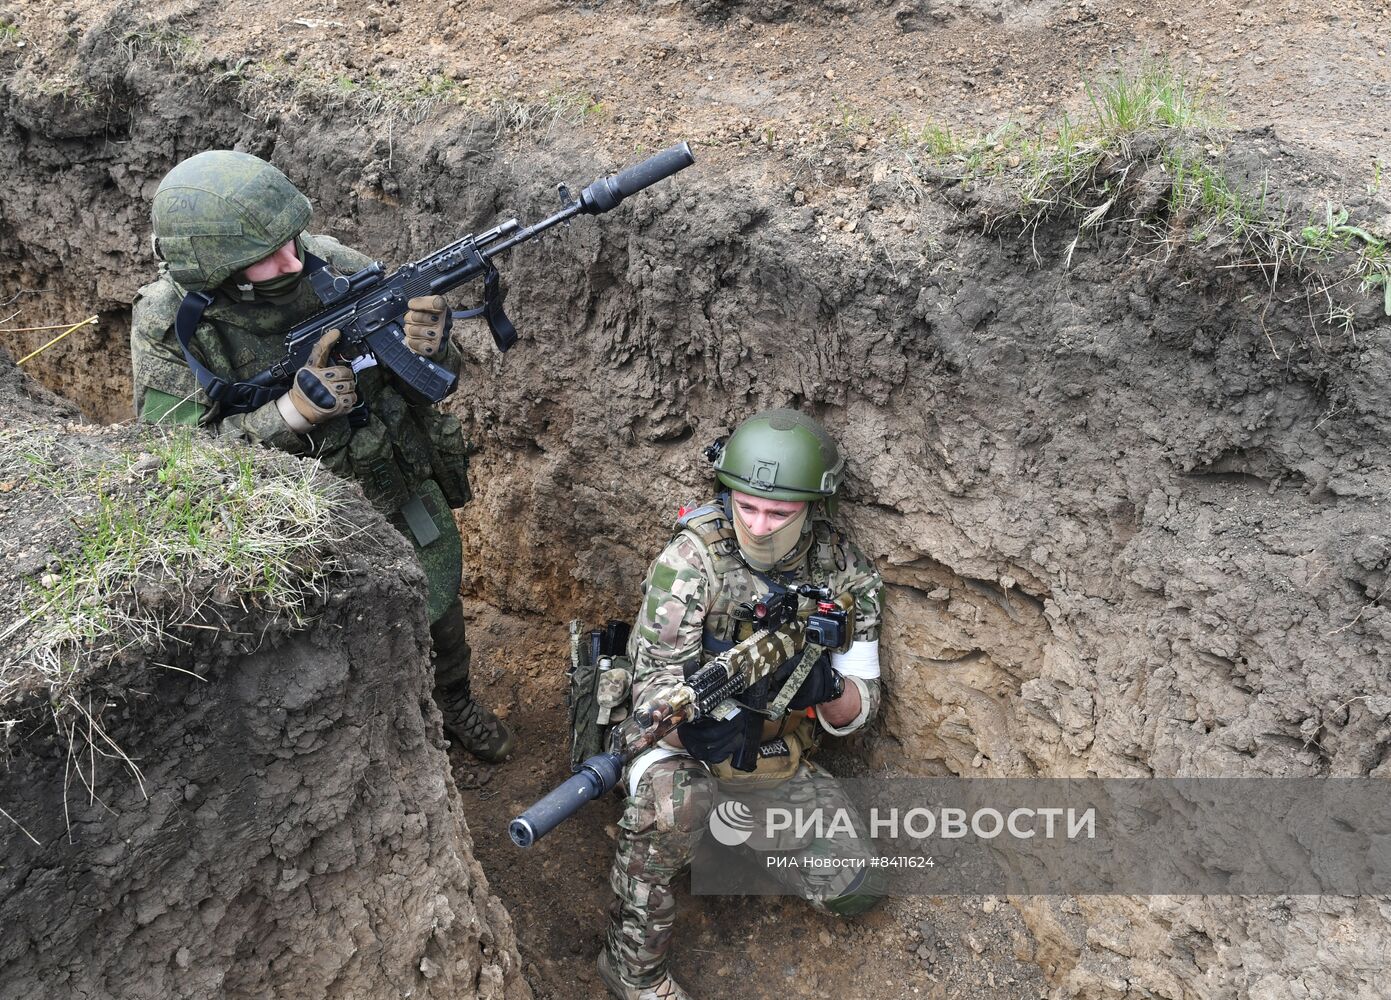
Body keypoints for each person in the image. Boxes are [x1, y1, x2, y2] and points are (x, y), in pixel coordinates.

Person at [128, 149, 513, 766]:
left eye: (291, 240)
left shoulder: (335, 266)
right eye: (267, 257)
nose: (293, 260)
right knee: (324, 642)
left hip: (390, 479)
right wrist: (289, 416)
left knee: (437, 596)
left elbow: (428, 383)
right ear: (214, 269)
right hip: (283, 521)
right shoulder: (172, 325)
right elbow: (175, 460)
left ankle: (455, 699)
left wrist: (434, 351)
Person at [600, 408, 885, 1000]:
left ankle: (741, 841)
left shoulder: (846, 572)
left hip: (776, 753)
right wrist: (693, 732)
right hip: (687, 752)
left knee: (856, 887)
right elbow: (652, 699)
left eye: (779, 512)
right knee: (674, 806)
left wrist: (825, 690)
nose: (757, 526)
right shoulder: (689, 563)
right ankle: (632, 970)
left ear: (814, 506)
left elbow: (860, 711)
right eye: (745, 505)